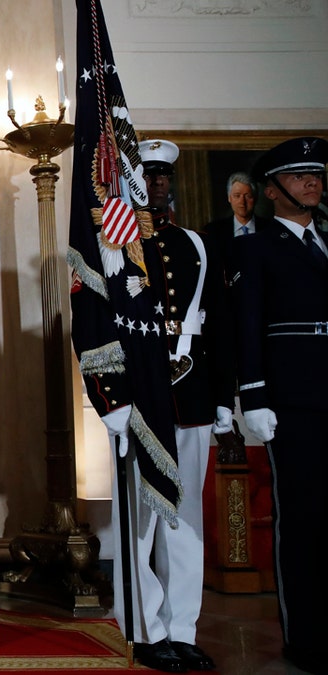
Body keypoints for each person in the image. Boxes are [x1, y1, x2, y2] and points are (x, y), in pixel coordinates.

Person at [99, 139, 231, 673]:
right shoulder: (118, 245)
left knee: (187, 521)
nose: (154, 184)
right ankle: (145, 629)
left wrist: (225, 398)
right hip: (143, 396)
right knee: (139, 524)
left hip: (192, 397)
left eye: (161, 176)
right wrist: (114, 398)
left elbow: (216, 325)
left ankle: (182, 628)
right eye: (146, 176)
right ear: (133, 183)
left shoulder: (194, 244)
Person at [233, 136, 328, 674]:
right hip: (291, 401)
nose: (312, 182)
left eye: (316, 174)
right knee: (303, 519)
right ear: (271, 190)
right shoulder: (256, 247)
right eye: (298, 176)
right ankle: (307, 638)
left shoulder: (327, 241)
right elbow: (249, 324)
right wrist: (254, 393)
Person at [205, 172, 275, 284]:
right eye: (237, 196)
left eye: (248, 196)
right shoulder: (213, 231)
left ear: (255, 198)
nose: (242, 202)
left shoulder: (271, 229)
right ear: (229, 198)